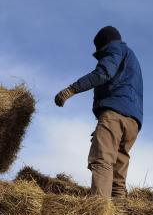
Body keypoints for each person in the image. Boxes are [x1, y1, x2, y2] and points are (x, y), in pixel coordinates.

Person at [54, 26, 143, 199]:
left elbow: (103, 73)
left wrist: (71, 89)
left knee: (102, 161)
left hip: (115, 115)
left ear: (103, 45)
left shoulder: (115, 49)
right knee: (118, 175)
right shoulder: (131, 58)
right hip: (132, 122)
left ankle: (98, 214)